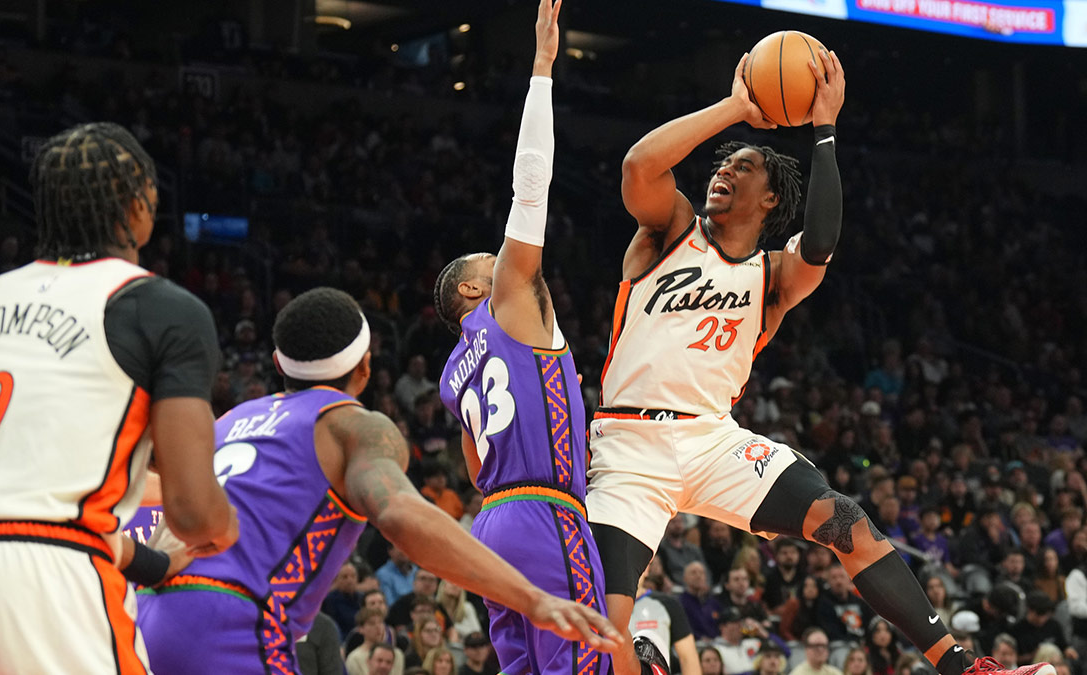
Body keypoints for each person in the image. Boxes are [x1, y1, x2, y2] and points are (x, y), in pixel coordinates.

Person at [585, 44, 1051, 675]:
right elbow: (640, 163)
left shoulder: (772, 278)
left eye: (742, 166)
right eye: (722, 166)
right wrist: (733, 109)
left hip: (711, 440)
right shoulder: (670, 230)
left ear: (772, 199)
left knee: (845, 520)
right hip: (629, 446)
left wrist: (824, 127)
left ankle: (963, 666)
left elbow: (823, 241)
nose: (722, 171)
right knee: (602, 632)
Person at [0, 122, 240, 673]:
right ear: (138, 207)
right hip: (47, 584)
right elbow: (195, 514)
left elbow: (21, 493)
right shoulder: (162, 307)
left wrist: (148, 562)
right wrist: (230, 525)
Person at [135, 288, 619, 673]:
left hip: (149, 614)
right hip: (233, 624)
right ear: (365, 369)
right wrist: (532, 598)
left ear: (280, 365)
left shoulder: (232, 420)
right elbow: (398, 513)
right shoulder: (353, 425)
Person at [434, 2, 622, 675]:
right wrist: (541, 72)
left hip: (492, 526)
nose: (501, 256)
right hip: (546, 512)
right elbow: (531, 186)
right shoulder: (509, 299)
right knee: (582, 664)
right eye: (488, 262)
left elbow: (477, 470)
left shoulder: (453, 373)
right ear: (467, 292)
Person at [630, 559, 702, 675]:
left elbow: (688, 658)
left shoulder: (668, 604)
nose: (630, 569)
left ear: (647, 568)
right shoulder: (600, 603)